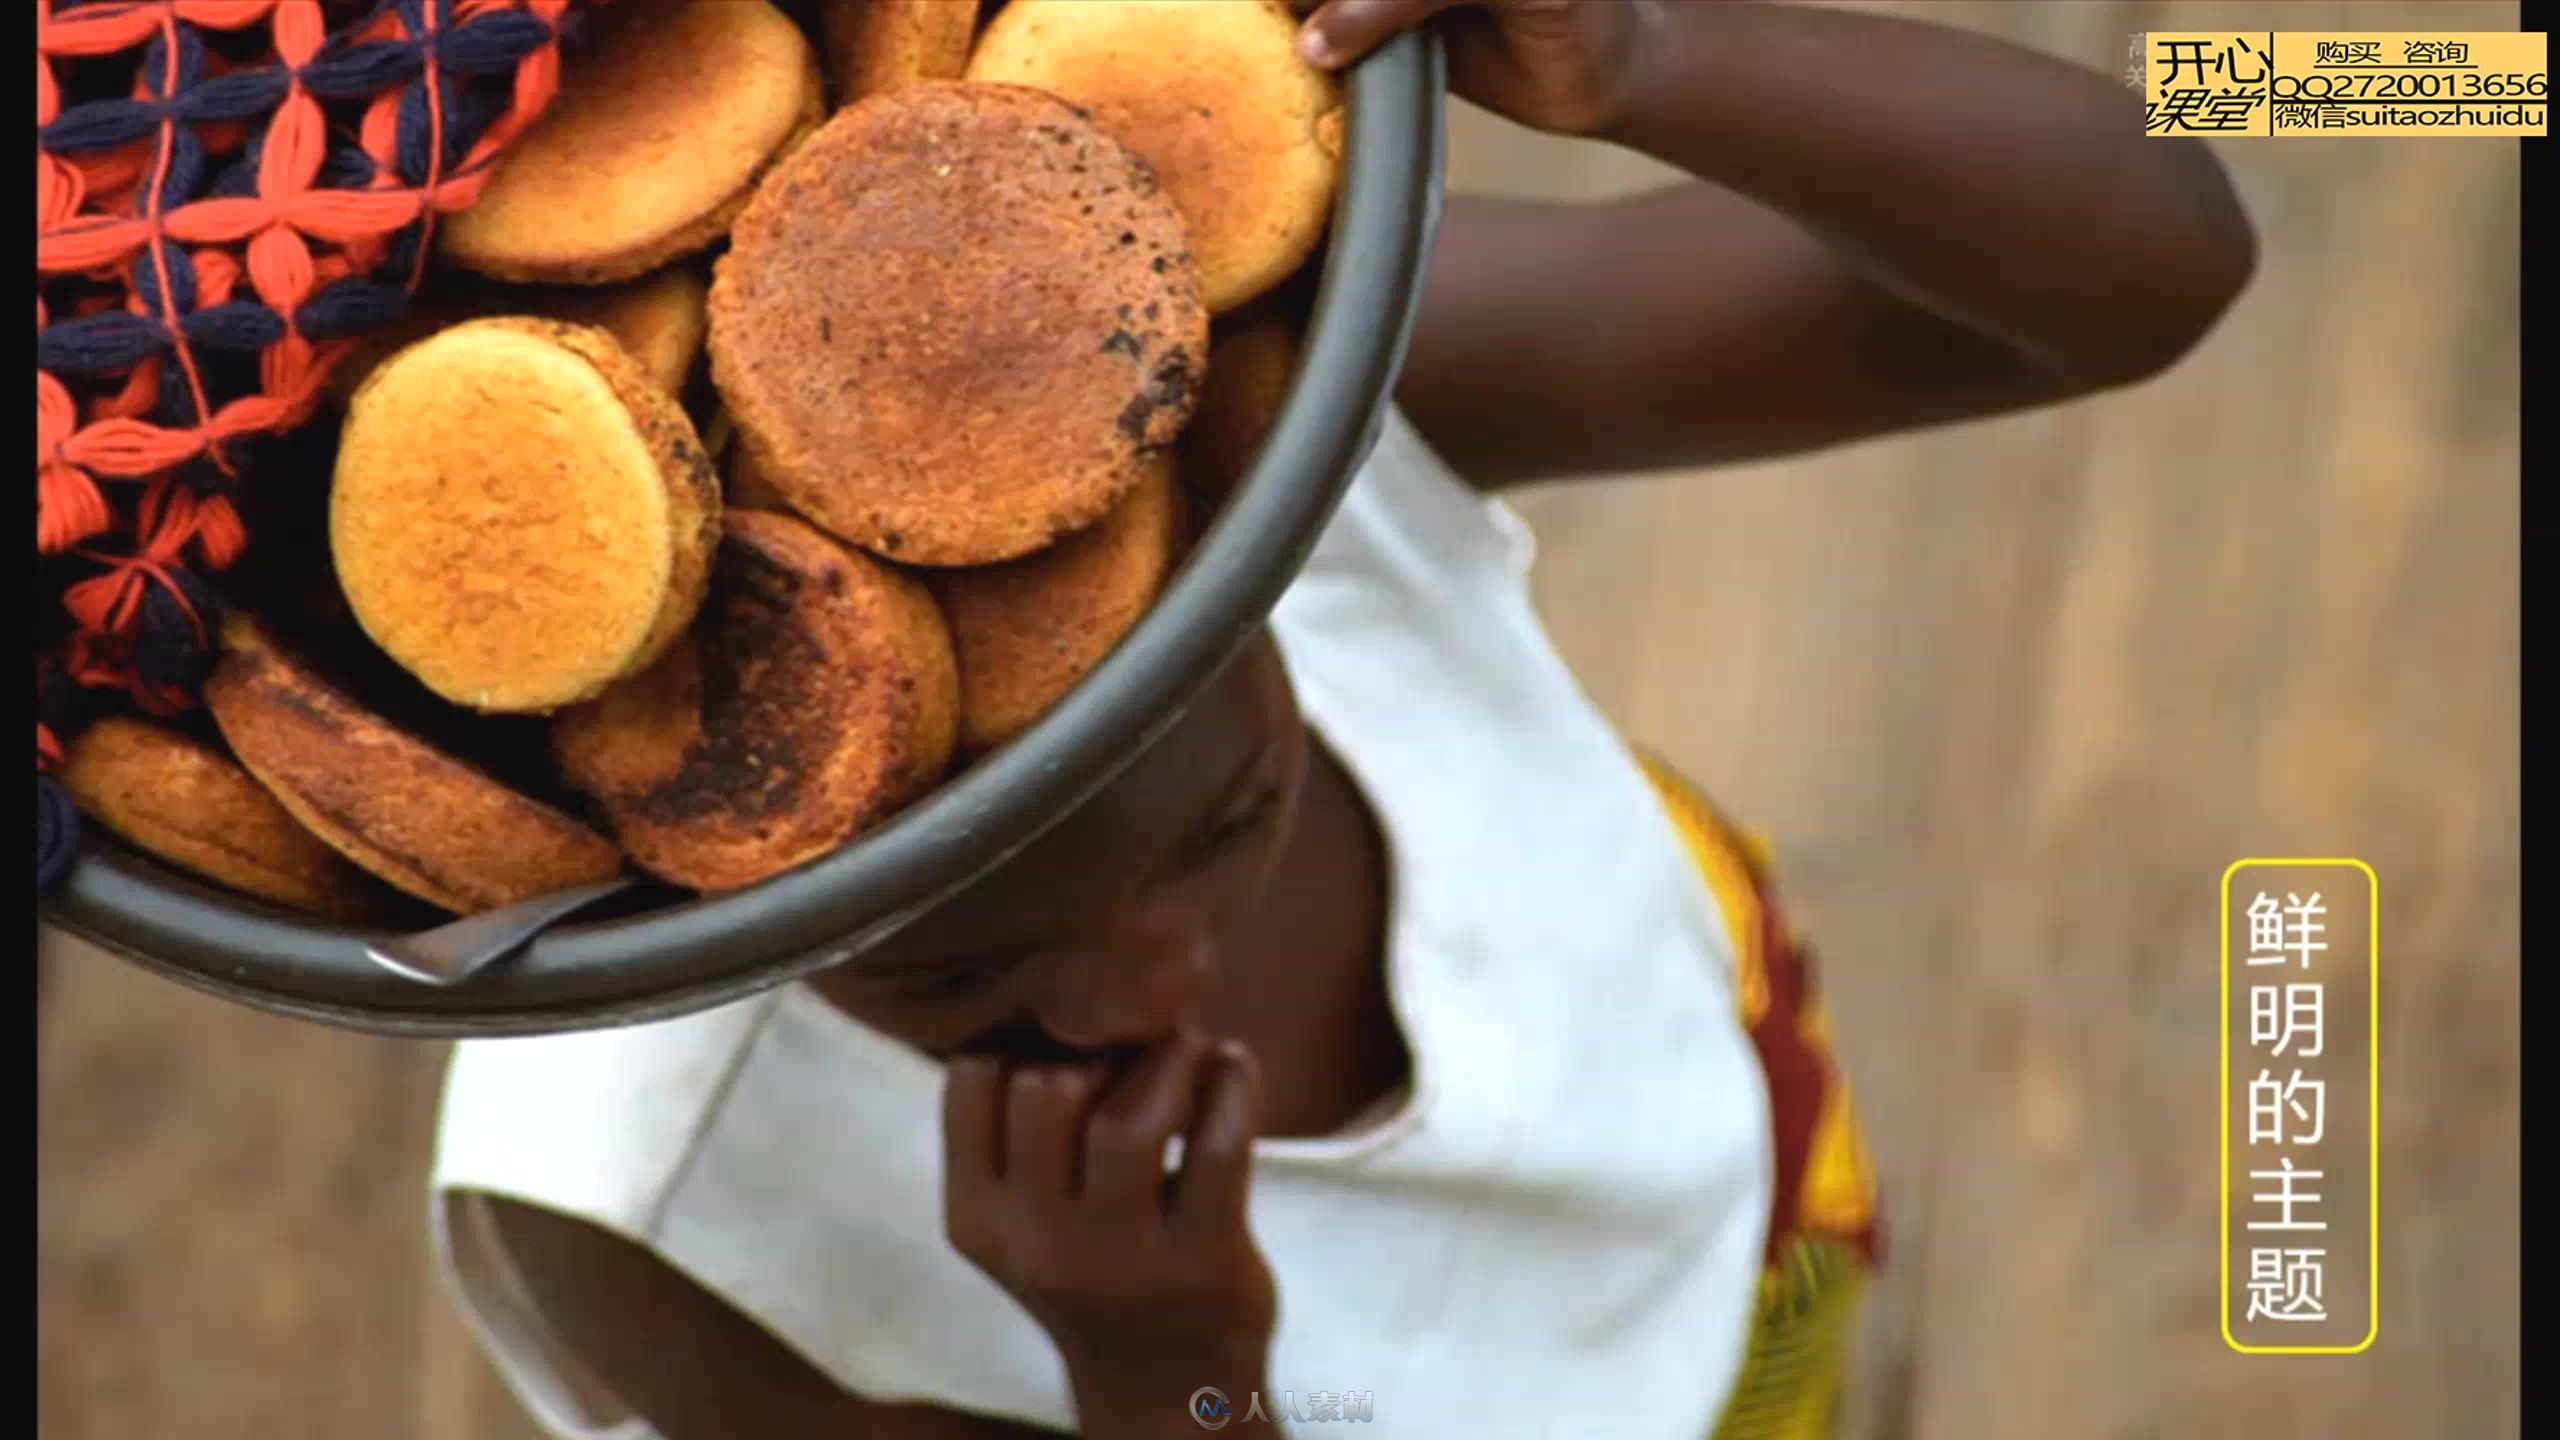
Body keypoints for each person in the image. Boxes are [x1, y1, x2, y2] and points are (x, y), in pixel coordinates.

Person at [429, 3, 2256, 1438]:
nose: (1146, 996)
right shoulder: (644, 1209)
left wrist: (1650, 58)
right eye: (948, 982)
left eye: (1233, 820)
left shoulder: (1242, 442)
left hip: (1723, 1089)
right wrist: (1172, 1382)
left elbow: (2156, 266)